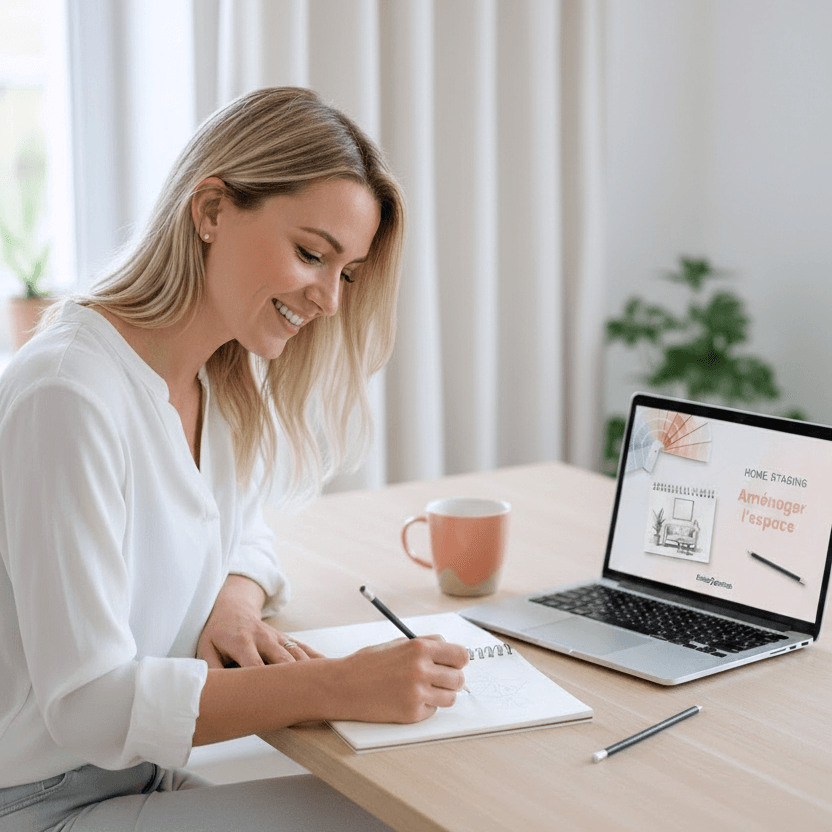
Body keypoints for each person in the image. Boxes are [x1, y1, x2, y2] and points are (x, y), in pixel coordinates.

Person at [0, 87, 468, 832]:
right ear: (212, 209)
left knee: (426, 797)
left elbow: (243, 532)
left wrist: (235, 602)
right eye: (312, 254)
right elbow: (88, 705)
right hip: (43, 803)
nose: (331, 301)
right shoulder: (69, 396)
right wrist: (337, 684)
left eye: (346, 272)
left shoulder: (216, 376)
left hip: (134, 775)